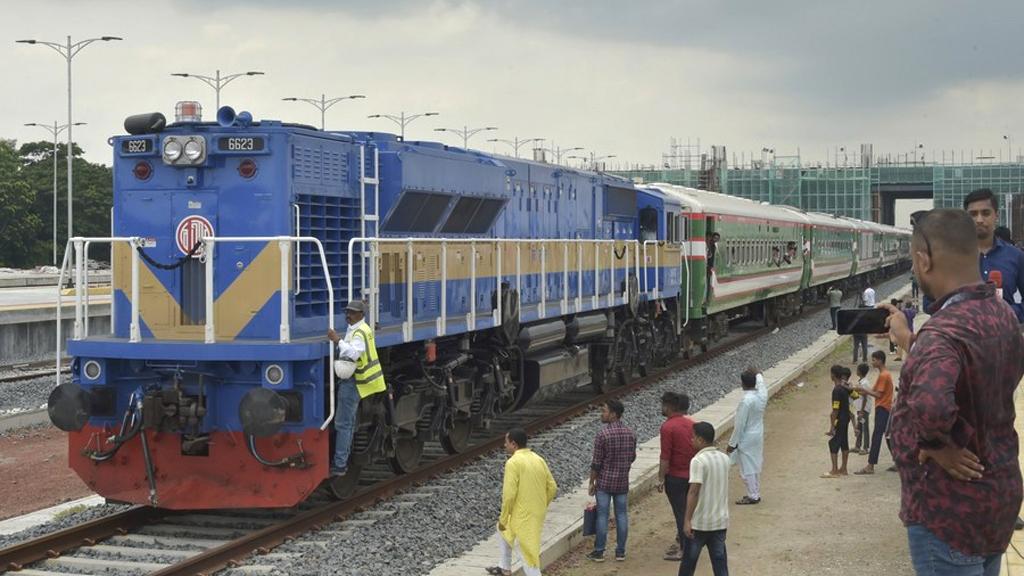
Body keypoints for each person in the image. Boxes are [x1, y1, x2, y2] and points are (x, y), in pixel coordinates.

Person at [884, 208, 1024, 575]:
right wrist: (911, 343)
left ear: (923, 259)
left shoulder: (942, 334)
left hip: (949, 512)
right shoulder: (1003, 314)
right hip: (997, 498)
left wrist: (939, 444)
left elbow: (931, 407)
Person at [326, 300, 386, 475]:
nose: (348, 315)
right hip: (360, 381)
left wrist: (337, 341)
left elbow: (353, 353)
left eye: (352, 312)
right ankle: (343, 459)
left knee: (343, 423)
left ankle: (339, 465)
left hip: (356, 381)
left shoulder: (359, 332)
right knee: (348, 422)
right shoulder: (361, 328)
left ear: (361, 314)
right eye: (347, 312)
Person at [489, 428, 558, 576]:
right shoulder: (538, 459)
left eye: (506, 443)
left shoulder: (513, 462)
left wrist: (503, 516)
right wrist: (541, 503)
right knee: (503, 530)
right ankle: (504, 567)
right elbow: (552, 487)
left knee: (526, 551)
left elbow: (509, 495)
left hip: (522, 515)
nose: (504, 445)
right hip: (535, 512)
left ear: (513, 444)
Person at [587, 399, 637, 563]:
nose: (602, 414)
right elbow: (632, 457)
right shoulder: (630, 433)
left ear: (614, 414)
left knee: (602, 516)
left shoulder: (603, 434)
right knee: (621, 515)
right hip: (622, 482)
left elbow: (596, 462)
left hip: (605, 482)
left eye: (605, 411)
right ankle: (620, 551)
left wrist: (592, 482)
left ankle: (599, 551)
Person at [680, 421, 731, 576]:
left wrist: (687, 520)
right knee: (720, 564)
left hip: (700, 523)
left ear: (701, 440)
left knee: (688, 564)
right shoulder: (724, 458)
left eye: (693, 437)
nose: (691, 440)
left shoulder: (698, 461)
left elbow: (693, 492)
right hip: (720, 521)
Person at [965, 188, 1024, 321]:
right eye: (973, 214)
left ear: (996, 216)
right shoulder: (954, 256)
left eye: (985, 213)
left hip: (1004, 336)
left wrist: (1008, 312)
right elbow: (930, 303)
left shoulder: (1016, 256)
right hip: (963, 338)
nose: (979, 219)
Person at [657, 391, 696, 562]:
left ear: (671, 406)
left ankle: (684, 549)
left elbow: (665, 456)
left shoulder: (667, 427)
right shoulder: (692, 424)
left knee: (680, 513)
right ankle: (686, 541)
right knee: (690, 511)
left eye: (664, 405)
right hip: (693, 475)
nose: (662, 408)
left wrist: (660, 478)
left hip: (675, 476)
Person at [726, 369, 767, 504]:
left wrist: (732, 444)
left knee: (747, 468)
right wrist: (758, 374)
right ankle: (755, 492)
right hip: (758, 434)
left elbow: (739, 425)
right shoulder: (761, 396)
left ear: (743, 384)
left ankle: (753, 495)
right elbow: (762, 385)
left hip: (746, 437)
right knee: (754, 464)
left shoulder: (746, 401)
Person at [854, 351, 894, 475]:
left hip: (883, 408)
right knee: (887, 436)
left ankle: (870, 465)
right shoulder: (884, 374)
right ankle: (899, 460)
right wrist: (858, 389)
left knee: (877, 436)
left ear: (880, 360)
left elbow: (877, 394)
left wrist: (863, 389)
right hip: (884, 408)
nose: (872, 362)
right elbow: (873, 391)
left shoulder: (884, 375)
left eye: (874, 360)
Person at [822, 365, 853, 478]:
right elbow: (855, 395)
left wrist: (832, 426)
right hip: (846, 418)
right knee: (844, 442)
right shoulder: (844, 388)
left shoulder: (836, 390)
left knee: (833, 443)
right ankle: (843, 468)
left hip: (840, 419)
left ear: (833, 375)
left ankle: (834, 470)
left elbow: (835, 409)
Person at [852, 363, 872, 455]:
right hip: (860, 409)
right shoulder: (861, 382)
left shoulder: (865, 383)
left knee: (864, 428)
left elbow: (864, 397)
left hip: (863, 410)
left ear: (860, 371)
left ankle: (866, 447)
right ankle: (857, 445)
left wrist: (862, 411)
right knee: (859, 426)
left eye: (857, 369)